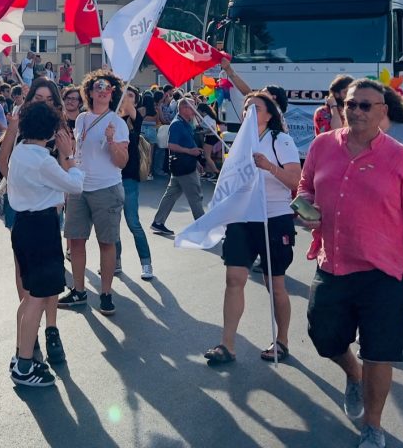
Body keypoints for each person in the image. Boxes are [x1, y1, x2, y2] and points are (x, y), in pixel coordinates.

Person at [297, 79, 403, 448]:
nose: (356, 111)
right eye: (351, 104)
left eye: (365, 105)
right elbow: (305, 187)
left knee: (380, 351)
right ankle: (353, 374)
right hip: (334, 266)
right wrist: (306, 209)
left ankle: (372, 426)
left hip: (385, 273)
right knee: (324, 338)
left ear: (383, 111)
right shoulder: (321, 146)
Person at [203, 91, 301, 365]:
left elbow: (296, 180)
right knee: (234, 279)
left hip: (274, 218)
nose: (249, 112)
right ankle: (227, 345)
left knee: (275, 284)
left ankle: (282, 341)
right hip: (242, 219)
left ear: (270, 114)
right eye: (246, 108)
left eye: (255, 108)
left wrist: (269, 166)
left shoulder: (280, 140)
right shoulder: (238, 143)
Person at [6, 100, 82, 387]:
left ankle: (20, 355)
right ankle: (25, 365)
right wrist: (70, 156)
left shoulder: (20, 153)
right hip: (42, 227)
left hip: (24, 225)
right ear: (51, 131)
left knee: (30, 296)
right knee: (38, 296)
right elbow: (74, 185)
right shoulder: (43, 160)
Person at [0, 77, 69, 364]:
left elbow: (66, 168)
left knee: (51, 271)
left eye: (50, 100)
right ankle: (30, 333)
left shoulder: (59, 128)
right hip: (23, 205)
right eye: (39, 99)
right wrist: (20, 184)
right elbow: (2, 161)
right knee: (26, 273)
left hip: (52, 207)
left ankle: (51, 328)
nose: (45, 104)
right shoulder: (20, 123)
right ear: (29, 101)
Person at [59, 70, 128, 316]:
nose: (102, 90)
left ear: (113, 93)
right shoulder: (81, 120)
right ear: (89, 91)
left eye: (107, 87)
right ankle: (79, 291)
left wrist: (111, 142)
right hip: (79, 188)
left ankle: (106, 294)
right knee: (76, 240)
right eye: (98, 86)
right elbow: (78, 153)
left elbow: (121, 162)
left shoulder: (117, 123)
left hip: (106, 189)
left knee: (106, 243)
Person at [151, 98, 205, 236]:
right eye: (193, 107)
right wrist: (190, 152)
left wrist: (196, 161)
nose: (195, 111)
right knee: (195, 196)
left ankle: (158, 222)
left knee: (171, 194)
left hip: (183, 164)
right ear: (184, 109)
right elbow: (171, 145)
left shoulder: (185, 123)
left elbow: (189, 143)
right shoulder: (177, 124)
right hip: (184, 165)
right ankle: (203, 227)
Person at [117, 87, 154, 281]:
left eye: (131, 96)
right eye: (124, 95)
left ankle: (146, 263)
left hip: (129, 178)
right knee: (112, 225)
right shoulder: (112, 119)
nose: (126, 98)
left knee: (133, 223)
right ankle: (115, 261)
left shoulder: (134, 119)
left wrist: (123, 91)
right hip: (111, 178)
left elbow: (128, 106)